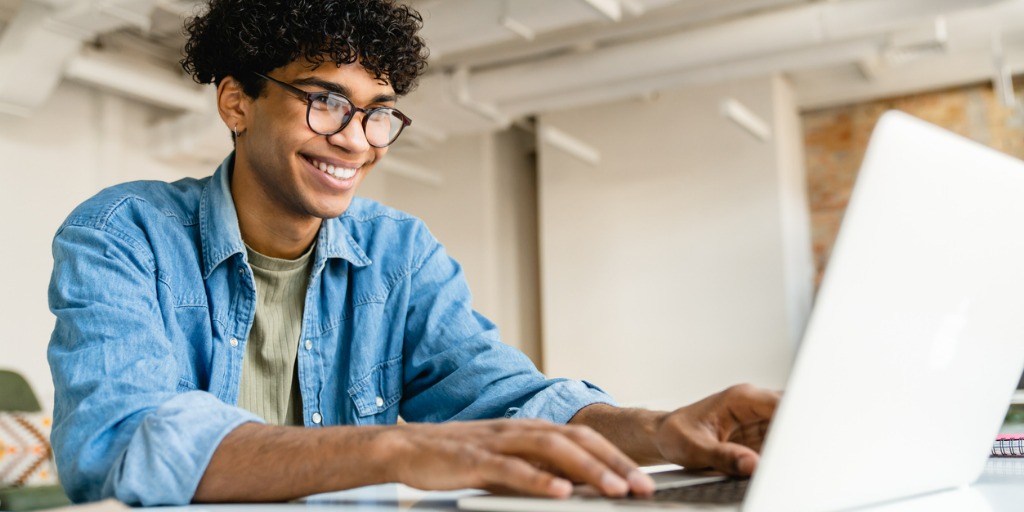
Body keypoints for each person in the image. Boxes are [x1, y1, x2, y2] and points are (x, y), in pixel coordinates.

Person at [47, 0, 780, 506]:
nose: (355, 139)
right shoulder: (123, 233)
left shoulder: (398, 254)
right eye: (325, 100)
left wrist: (659, 430)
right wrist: (394, 453)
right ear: (237, 101)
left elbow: (511, 402)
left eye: (376, 113)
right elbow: (122, 444)